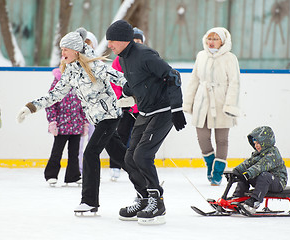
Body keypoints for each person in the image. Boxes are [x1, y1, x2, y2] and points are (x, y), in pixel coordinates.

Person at [17, 27, 134, 213]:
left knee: (90, 153)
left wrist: (132, 96)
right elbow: (55, 95)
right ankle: (148, 184)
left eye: (65, 49)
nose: (62, 53)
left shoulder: (96, 66)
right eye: (61, 49)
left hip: (109, 116)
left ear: (76, 50)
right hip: (97, 119)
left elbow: (122, 79)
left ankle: (89, 201)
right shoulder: (71, 71)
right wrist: (31, 107)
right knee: (120, 155)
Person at [106, 20, 186, 225]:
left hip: (163, 111)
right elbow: (139, 82)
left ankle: (156, 202)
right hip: (145, 111)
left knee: (143, 155)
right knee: (129, 158)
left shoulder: (144, 54)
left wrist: (176, 109)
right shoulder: (123, 59)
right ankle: (143, 198)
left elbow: (173, 76)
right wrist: (126, 92)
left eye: (112, 41)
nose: (109, 45)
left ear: (124, 40)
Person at [183, 27, 240, 186]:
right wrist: (188, 103)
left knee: (222, 140)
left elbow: (234, 83)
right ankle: (210, 164)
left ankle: (217, 172)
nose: (211, 42)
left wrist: (230, 105)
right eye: (209, 38)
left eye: (215, 39)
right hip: (202, 101)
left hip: (222, 102)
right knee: (202, 138)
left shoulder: (230, 58)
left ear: (223, 41)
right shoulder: (201, 56)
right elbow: (194, 79)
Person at [108, 27, 144, 181]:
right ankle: (116, 165)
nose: (136, 43)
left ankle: (139, 164)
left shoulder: (145, 57)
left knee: (140, 136)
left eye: (139, 41)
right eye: (133, 40)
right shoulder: (119, 59)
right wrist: (121, 100)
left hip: (141, 106)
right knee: (120, 134)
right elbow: (114, 83)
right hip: (124, 105)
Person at [44, 62, 88, 187]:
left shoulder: (79, 83)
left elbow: (83, 103)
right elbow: (50, 102)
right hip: (61, 125)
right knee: (57, 152)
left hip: (76, 124)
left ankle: (73, 176)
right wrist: (52, 121)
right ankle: (51, 175)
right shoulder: (57, 83)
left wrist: (85, 121)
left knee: (74, 153)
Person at [231, 126, 288, 214]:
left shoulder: (273, 154)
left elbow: (260, 166)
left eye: (258, 143)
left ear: (265, 142)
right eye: (255, 143)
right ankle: (237, 198)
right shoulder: (258, 153)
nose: (256, 146)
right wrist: (236, 172)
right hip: (263, 181)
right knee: (243, 175)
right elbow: (247, 163)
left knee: (264, 175)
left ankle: (254, 201)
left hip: (277, 182)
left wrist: (247, 174)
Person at [77, 31, 98, 174]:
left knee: (93, 142)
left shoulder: (97, 64)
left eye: (88, 43)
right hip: (76, 111)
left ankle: (91, 171)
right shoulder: (72, 63)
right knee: (78, 143)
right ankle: (78, 169)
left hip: (94, 109)